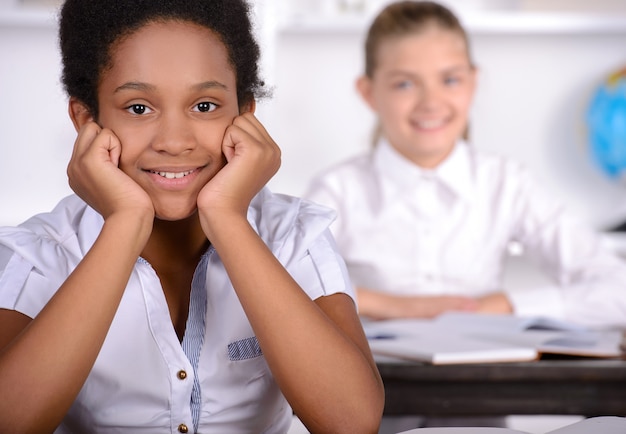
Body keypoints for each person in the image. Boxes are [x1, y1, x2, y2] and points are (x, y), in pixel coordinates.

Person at [0, 1, 385, 433]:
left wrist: (227, 218)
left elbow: (352, 422)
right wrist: (125, 223)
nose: (175, 141)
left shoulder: (292, 234)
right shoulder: (42, 253)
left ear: (244, 117)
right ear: (87, 119)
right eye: (139, 108)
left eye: (204, 106)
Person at [305, 1, 626, 328]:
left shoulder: (506, 182)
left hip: (483, 374)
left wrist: (501, 305)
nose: (431, 102)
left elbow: (618, 291)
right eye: (404, 83)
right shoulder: (337, 190)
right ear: (368, 92)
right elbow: (284, 293)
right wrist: (395, 306)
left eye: (450, 80)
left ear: (473, 82)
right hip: (372, 375)